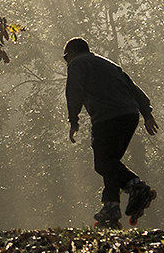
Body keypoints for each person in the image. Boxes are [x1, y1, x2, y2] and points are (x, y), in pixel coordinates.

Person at [64, 37, 158, 229]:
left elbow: (73, 92)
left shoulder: (77, 64)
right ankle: (111, 207)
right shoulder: (107, 63)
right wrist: (147, 113)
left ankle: (136, 187)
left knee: (103, 163)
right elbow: (132, 87)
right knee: (111, 161)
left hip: (107, 117)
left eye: (66, 58)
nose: (67, 62)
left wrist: (73, 120)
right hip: (129, 115)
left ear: (72, 53)